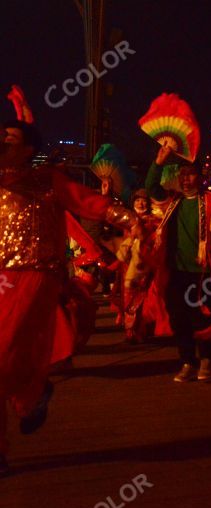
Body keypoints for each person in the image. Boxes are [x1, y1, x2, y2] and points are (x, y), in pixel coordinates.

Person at [0, 119, 138, 475]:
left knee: (6, 351)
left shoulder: (46, 179)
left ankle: (30, 395)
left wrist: (131, 220)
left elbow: (89, 202)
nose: (2, 141)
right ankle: (29, 399)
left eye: (10, 138)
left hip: (34, 275)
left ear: (29, 149)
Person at [146, 144, 211, 382]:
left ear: (200, 176)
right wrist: (159, 161)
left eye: (191, 174)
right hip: (175, 272)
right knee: (178, 319)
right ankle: (188, 361)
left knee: (203, 318)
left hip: (203, 271)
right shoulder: (172, 202)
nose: (186, 179)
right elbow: (150, 187)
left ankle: (206, 359)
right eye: (182, 175)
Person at [116, 189, 161, 344]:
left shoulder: (154, 219)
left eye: (144, 201)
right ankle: (130, 331)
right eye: (137, 200)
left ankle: (143, 329)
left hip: (145, 264)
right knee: (129, 297)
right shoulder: (126, 218)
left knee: (145, 297)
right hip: (128, 264)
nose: (141, 203)